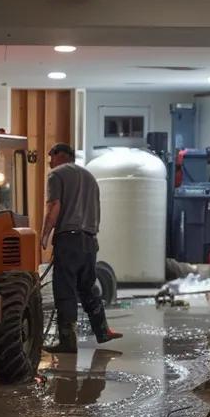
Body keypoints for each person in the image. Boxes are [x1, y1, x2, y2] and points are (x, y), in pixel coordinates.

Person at [40, 143, 120, 353]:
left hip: (69, 239)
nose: (49, 161)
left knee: (65, 289)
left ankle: (68, 342)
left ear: (59, 155)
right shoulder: (90, 177)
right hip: (90, 241)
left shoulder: (56, 174)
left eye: (51, 156)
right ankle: (102, 331)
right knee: (87, 286)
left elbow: (54, 206)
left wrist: (45, 235)